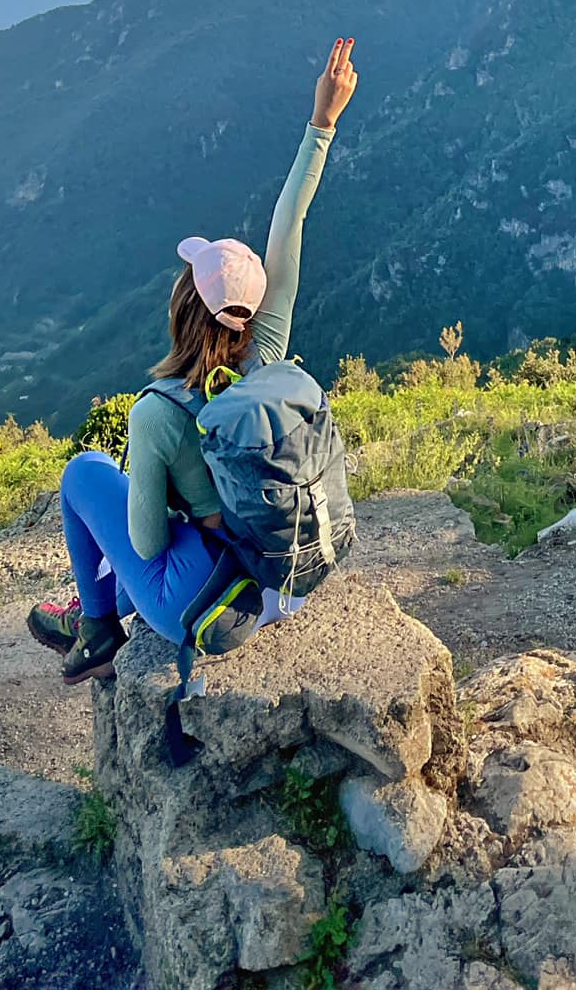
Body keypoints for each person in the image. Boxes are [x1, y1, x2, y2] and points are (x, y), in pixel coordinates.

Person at [28, 36, 359, 683]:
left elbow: (147, 545)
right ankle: (87, 612)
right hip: (275, 583)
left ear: (183, 306)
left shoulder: (159, 412)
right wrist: (323, 123)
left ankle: (95, 628)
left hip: (201, 609)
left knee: (84, 473)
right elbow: (288, 228)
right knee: (178, 529)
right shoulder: (268, 355)